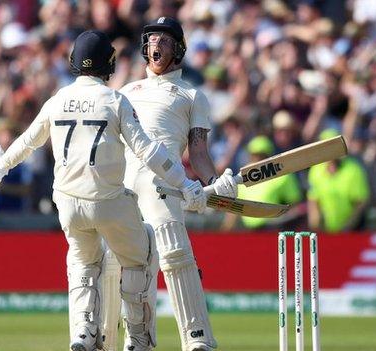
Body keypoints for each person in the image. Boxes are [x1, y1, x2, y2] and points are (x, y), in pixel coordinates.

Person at [0, 30, 206, 351]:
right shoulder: (114, 100)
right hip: (109, 200)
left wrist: (1, 166)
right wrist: (185, 184)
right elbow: (149, 151)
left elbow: (29, 140)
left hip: (67, 204)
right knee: (141, 257)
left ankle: (83, 332)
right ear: (109, 65)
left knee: (82, 262)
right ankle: (139, 339)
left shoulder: (57, 99)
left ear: (73, 63)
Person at [100, 17, 238, 351]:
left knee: (175, 255)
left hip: (163, 181)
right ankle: (109, 341)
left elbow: (199, 152)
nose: (156, 45)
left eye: (164, 39)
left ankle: (197, 338)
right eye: (151, 39)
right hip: (123, 182)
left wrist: (215, 183)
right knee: (115, 262)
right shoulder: (126, 90)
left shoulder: (192, 95)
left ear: (177, 49)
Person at [307, 129, 370, 233]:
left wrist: (347, 228)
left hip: (352, 232)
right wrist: (316, 227)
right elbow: (313, 201)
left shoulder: (354, 169)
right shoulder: (315, 171)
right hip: (325, 232)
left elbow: (360, 203)